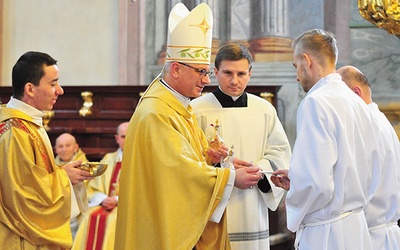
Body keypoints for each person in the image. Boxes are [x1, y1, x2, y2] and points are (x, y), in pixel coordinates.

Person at [114, 3, 263, 250]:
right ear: (175, 69)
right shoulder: (156, 113)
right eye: (201, 72)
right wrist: (229, 177)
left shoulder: (178, 105)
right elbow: (178, 174)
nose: (206, 80)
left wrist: (216, 161)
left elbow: (188, 160)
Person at [270, 29, 382, 249]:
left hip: (327, 233)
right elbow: (366, 166)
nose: (297, 75)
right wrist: (298, 177)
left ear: (306, 60)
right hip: (356, 226)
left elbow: (316, 182)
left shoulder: (316, 102)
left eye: (296, 67)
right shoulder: (357, 102)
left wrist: (295, 195)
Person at [191, 43, 292, 250]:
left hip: (252, 206)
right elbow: (187, 159)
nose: (234, 80)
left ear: (250, 74)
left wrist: (260, 173)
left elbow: (280, 151)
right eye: (227, 73)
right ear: (216, 72)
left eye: (241, 73)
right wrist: (226, 173)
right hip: (213, 207)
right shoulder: (196, 110)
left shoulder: (264, 109)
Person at [0, 51, 92, 249]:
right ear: (30, 89)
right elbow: (21, 198)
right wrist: (64, 177)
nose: (60, 90)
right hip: (20, 240)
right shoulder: (15, 131)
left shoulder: (27, 123)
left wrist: (63, 173)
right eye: (53, 84)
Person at [337, 65, 400, 250]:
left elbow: (352, 186)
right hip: (382, 233)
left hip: (370, 235)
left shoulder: (366, 127)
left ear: (356, 93)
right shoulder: (381, 121)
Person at [73, 122, 129, 250]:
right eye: (124, 136)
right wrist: (104, 199)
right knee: (88, 217)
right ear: (117, 138)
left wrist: (116, 200)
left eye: (130, 135)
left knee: (114, 221)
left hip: (128, 207)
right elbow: (92, 186)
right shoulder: (108, 159)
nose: (127, 140)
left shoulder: (141, 159)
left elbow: (144, 191)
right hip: (104, 203)